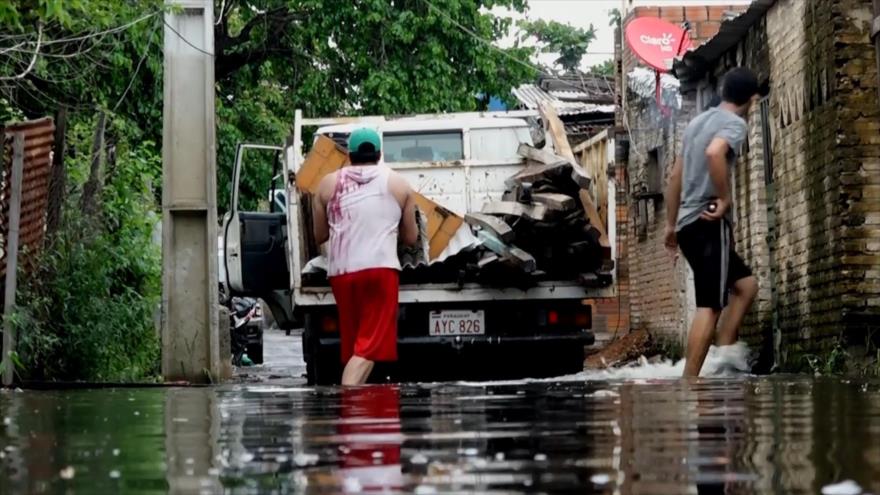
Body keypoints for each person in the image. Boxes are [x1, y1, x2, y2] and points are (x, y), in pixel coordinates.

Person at [664, 67, 761, 378]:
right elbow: (715, 153)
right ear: (752, 99)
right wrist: (725, 198)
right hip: (707, 221)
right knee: (710, 304)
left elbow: (675, 175)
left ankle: (724, 359)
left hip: (687, 224)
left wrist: (670, 226)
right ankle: (690, 380)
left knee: (746, 286)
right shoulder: (734, 124)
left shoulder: (696, 123)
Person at [312, 127, 419, 385]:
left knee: (355, 344)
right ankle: (349, 400)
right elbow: (411, 238)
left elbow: (319, 236)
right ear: (380, 154)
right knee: (369, 348)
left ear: (349, 155)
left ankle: (356, 415)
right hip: (380, 272)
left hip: (342, 274)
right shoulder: (399, 185)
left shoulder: (327, 185)